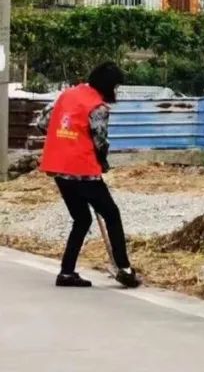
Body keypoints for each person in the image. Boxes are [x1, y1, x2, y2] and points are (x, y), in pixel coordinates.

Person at [37, 62, 140, 289]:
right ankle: (124, 268)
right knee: (111, 214)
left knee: (82, 219)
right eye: (116, 86)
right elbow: (100, 140)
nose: (116, 91)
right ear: (108, 85)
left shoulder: (66, 95)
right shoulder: (98, 107)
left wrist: (63, 140)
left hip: (59, 169)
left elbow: (42, 123)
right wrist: (102, 161)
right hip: (83, 170)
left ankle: (66, 273)